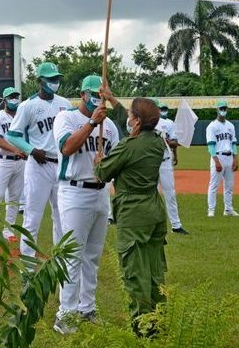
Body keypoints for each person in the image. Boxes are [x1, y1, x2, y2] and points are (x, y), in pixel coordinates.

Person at [52, 75, 119, 335]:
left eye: (101, 95)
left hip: (101, 192)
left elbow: (113, 161)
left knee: (93, 255)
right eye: (92, 94)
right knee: (72, 256)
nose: (96, 99)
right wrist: (92, 123)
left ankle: (87, 308)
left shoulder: (110, 126)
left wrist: (105, 161)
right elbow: (67, 148)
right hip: (74, 191)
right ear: (82, 94)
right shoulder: (66, 118)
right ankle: (65, 315)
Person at [94, 97, 167, 325]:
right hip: (154, 211)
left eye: (130, 115)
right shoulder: (157, 142)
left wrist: (99, 161)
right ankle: (159, 319)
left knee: (134, 272)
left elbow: (103, 173)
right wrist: (111, 97)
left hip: (133, 213)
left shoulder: (129, 146)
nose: (127, 117)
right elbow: (129, 121)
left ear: (137, 120)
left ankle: (143, 324)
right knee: (155, 271)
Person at [6, 62, 69, 257]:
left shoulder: (65, 104)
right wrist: (32, 150)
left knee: (62, 217)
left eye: (56, 79)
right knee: (32, 217)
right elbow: (12, 135)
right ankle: (28, 264)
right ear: (39, 81)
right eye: (50, 79)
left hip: (61, 165)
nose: (54, 82)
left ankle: (60, 260)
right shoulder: (27, 105)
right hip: (38, 166)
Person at [0, 87, 26, 245]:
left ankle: (8, 230)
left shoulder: (22, 116)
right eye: (11, 97)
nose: (14, 99)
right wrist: (16, 149)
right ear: (5, 99)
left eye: (16, 97)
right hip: (3, 161)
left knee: (14, 199)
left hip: (21, 162)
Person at [156, 101, 189, 234]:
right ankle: (152, 225)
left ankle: (176, 225)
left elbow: (175, 142)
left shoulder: (169, 123)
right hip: (151, 162)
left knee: (170, 194)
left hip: (165, 161)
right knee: (149, 194)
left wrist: (172, 149)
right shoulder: (145, 122)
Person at [206, 100, 239, 217]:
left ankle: (228, 209)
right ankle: (211, 210)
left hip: (229, 157)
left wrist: (236, 159)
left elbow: (234, 143)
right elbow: (211, 145)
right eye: (221, 108)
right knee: (214, 185)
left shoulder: (231, 126)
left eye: (225, 108)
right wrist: (216, 161)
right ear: (217, 110)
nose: (223, 110)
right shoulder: (212, 126)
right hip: (218, 156)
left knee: (229, 186)